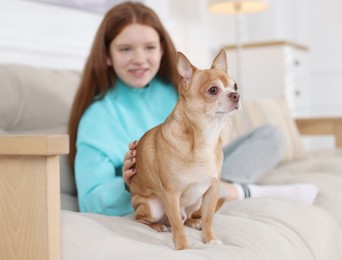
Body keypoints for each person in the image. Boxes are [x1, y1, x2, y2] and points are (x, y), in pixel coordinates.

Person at [68, 1, 318, 216]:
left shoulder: (173, 90)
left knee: (271, 135)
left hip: (201, 170)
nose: (140, 58)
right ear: (107, 56)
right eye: (125, 49)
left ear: (162, 49)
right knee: (184, 181)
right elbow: (90, 201)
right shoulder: (97, 117)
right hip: (160, 186)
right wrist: (127, 182)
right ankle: (242, 191)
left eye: (149, 47)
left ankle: (223, 190)